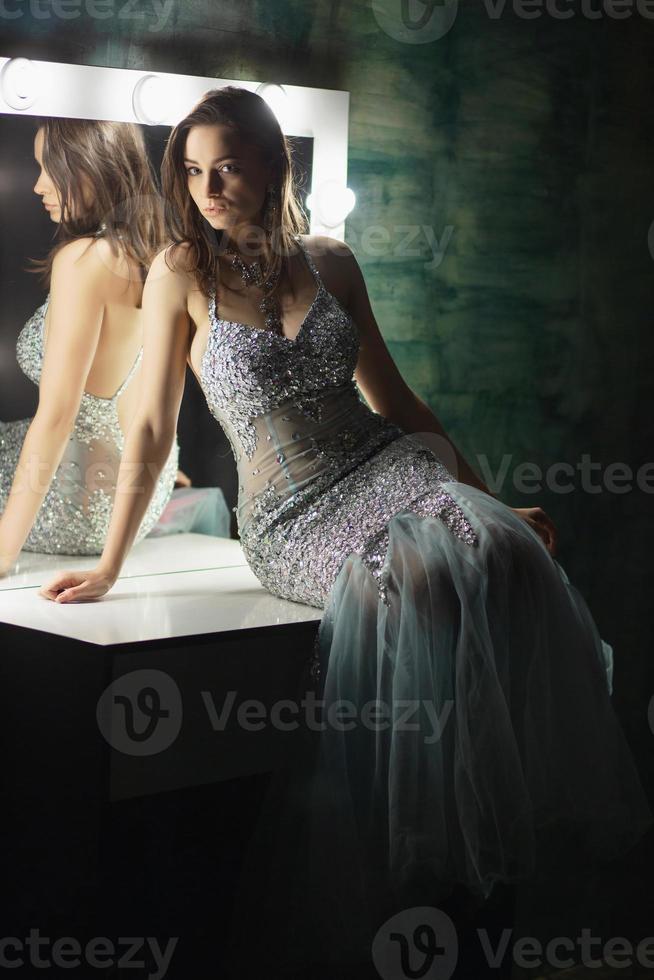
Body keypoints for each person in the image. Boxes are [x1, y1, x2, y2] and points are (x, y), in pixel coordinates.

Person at [36, 88, 652, 976]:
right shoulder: (180, 271)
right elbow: (148, 432)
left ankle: (484, 866)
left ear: (276, 162)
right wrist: (107, 565)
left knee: (500, 551)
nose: (209, 187)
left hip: (383, 464)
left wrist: (489, 498)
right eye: (194, 170)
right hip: (293, 511)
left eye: (229, 165)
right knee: (422, 579)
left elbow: (396, 405)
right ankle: (421, 860)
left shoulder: (333, 264)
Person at [0, 118, 229, 571]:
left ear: (91, 165)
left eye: (50, 166)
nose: (40, 184)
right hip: (136, 500)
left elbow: (57, 417)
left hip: (72, 503)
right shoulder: (168, 254)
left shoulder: (83, 261)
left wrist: (5, 551)